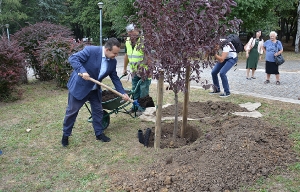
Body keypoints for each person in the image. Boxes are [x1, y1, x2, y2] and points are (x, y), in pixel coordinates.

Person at [61, 38, 130, 147]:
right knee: (72, 112)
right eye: (115, 53)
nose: (116, 56)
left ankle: (99, 133)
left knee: (98, 111)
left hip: (94, 89)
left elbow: (115, 78)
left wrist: (122, 92)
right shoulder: (90, 51)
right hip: (80, 87)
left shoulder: (112, 62)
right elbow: (73, 58)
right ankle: (65, 135)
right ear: (107, 50)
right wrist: (82, 71)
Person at [123, 24, 151, 112]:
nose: (130, 34)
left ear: (137, 30)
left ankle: (143, 110)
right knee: (135, 90)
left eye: (132, 32)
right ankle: (135, 107)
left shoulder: (144, 40)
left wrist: (149, 69)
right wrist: (124, 68)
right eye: (129, 33)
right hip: (134, 71)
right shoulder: (128, 41)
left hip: (144, 71)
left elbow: (149, 56)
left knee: (143, 89)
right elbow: (127, 55)